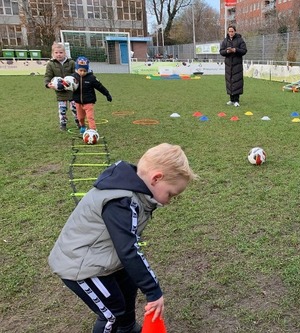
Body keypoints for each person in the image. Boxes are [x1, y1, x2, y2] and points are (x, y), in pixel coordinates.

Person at [48, 143, 198, 332]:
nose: (169, 201)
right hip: (81, 265)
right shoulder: (120, 201)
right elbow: (128, 249)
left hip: (102, 256)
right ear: (156, 178)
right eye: (170, 194)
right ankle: (119, 324)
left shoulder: (137, 193)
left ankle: (127, 329)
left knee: (128, 286)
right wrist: (153, 291)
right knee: (113, 313)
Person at [72, 56, 112, 135]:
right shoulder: (73, 77)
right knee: (80, 117)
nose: (82, 72)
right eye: (81, 70)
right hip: (78, 102)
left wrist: (107, 94)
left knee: (90, 117)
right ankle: (83, 127)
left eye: (84, 70)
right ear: (77, 69)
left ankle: (93, 130)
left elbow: (100, 86)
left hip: (89, 102)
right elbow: (67, 85)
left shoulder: (91, 78)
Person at [44, 42, 79, 131]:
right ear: (53, 54)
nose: (58, 54)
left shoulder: (71, 62)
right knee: (62, 109)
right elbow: (48, 75)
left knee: (75, 108)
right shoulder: (51, 64)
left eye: (60, 52)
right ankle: (63, 123)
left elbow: (76, 74)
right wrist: (48, 84)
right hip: (60, 91)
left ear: (65, 53)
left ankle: (79, 122)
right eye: (56, 53)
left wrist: (72, 81)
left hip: (72, 91)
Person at [219, 25, 247, 107]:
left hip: (237, 65)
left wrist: (235, 50)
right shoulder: (225, 41)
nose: (231, 33)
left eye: (232, 31)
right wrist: (227, 51)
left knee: (237, 82)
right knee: (229, 82)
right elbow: (221, 51)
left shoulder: (240, 40)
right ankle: (231, 99)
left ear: (235, 31)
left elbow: (244, 50)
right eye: (229, 31)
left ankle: (236, 100)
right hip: (228, 66)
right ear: (228, 32)